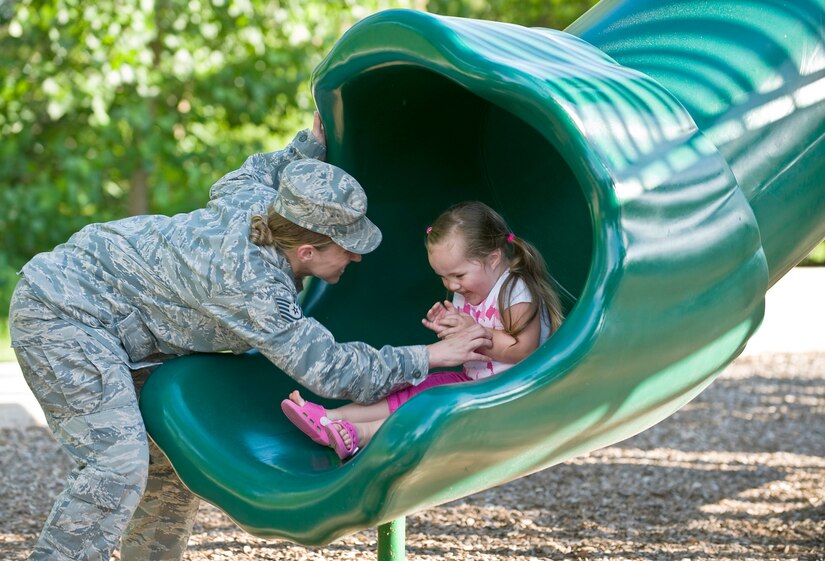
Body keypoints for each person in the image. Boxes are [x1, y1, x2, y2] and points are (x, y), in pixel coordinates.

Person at [7, 112, 492, 561]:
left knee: (165, 472)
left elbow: (260, 170)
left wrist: (308, 148)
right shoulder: (253, 287)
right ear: (306, 250)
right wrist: (431, 355)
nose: (357, 258)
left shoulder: (257, 204)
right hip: (64, 314)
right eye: (348, 249)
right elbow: (334, 371)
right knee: (115, 465)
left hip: (113, 314)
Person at [282, 200, 564, 460]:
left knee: (429, 405)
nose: (452, 285)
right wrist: (451, 328)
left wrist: (475, 332)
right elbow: (470, 344)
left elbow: (524, 350)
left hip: (509, 393)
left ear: (493, 258)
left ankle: (362, 435)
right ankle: (330, 419)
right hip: (473, 383)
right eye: (443, 277)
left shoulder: (515, 290)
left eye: (459, 275)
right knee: (413, 390)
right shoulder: (466, 293)